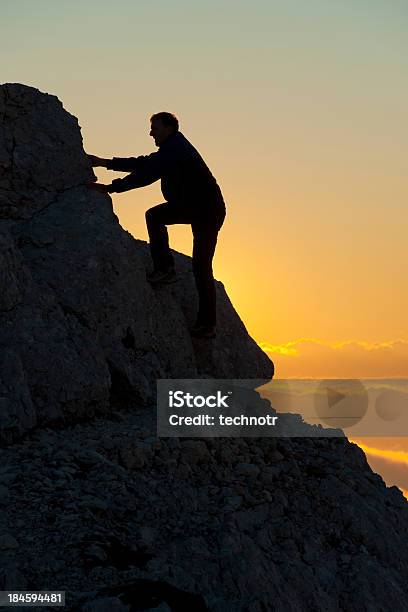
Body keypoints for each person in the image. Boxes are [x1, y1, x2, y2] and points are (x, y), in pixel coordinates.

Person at [88, 112, 226, 339]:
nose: (151, 132)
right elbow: (145, 163)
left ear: (169, 128)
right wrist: (105, 163)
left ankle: (167, 272)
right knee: (198, 264)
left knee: (160, 222)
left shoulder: (175, 150)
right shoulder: (172, 148)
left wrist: (110, 188)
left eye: (155, 128)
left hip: (207, 211)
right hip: (200, 207)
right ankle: (204, 321)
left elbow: (145, 175)